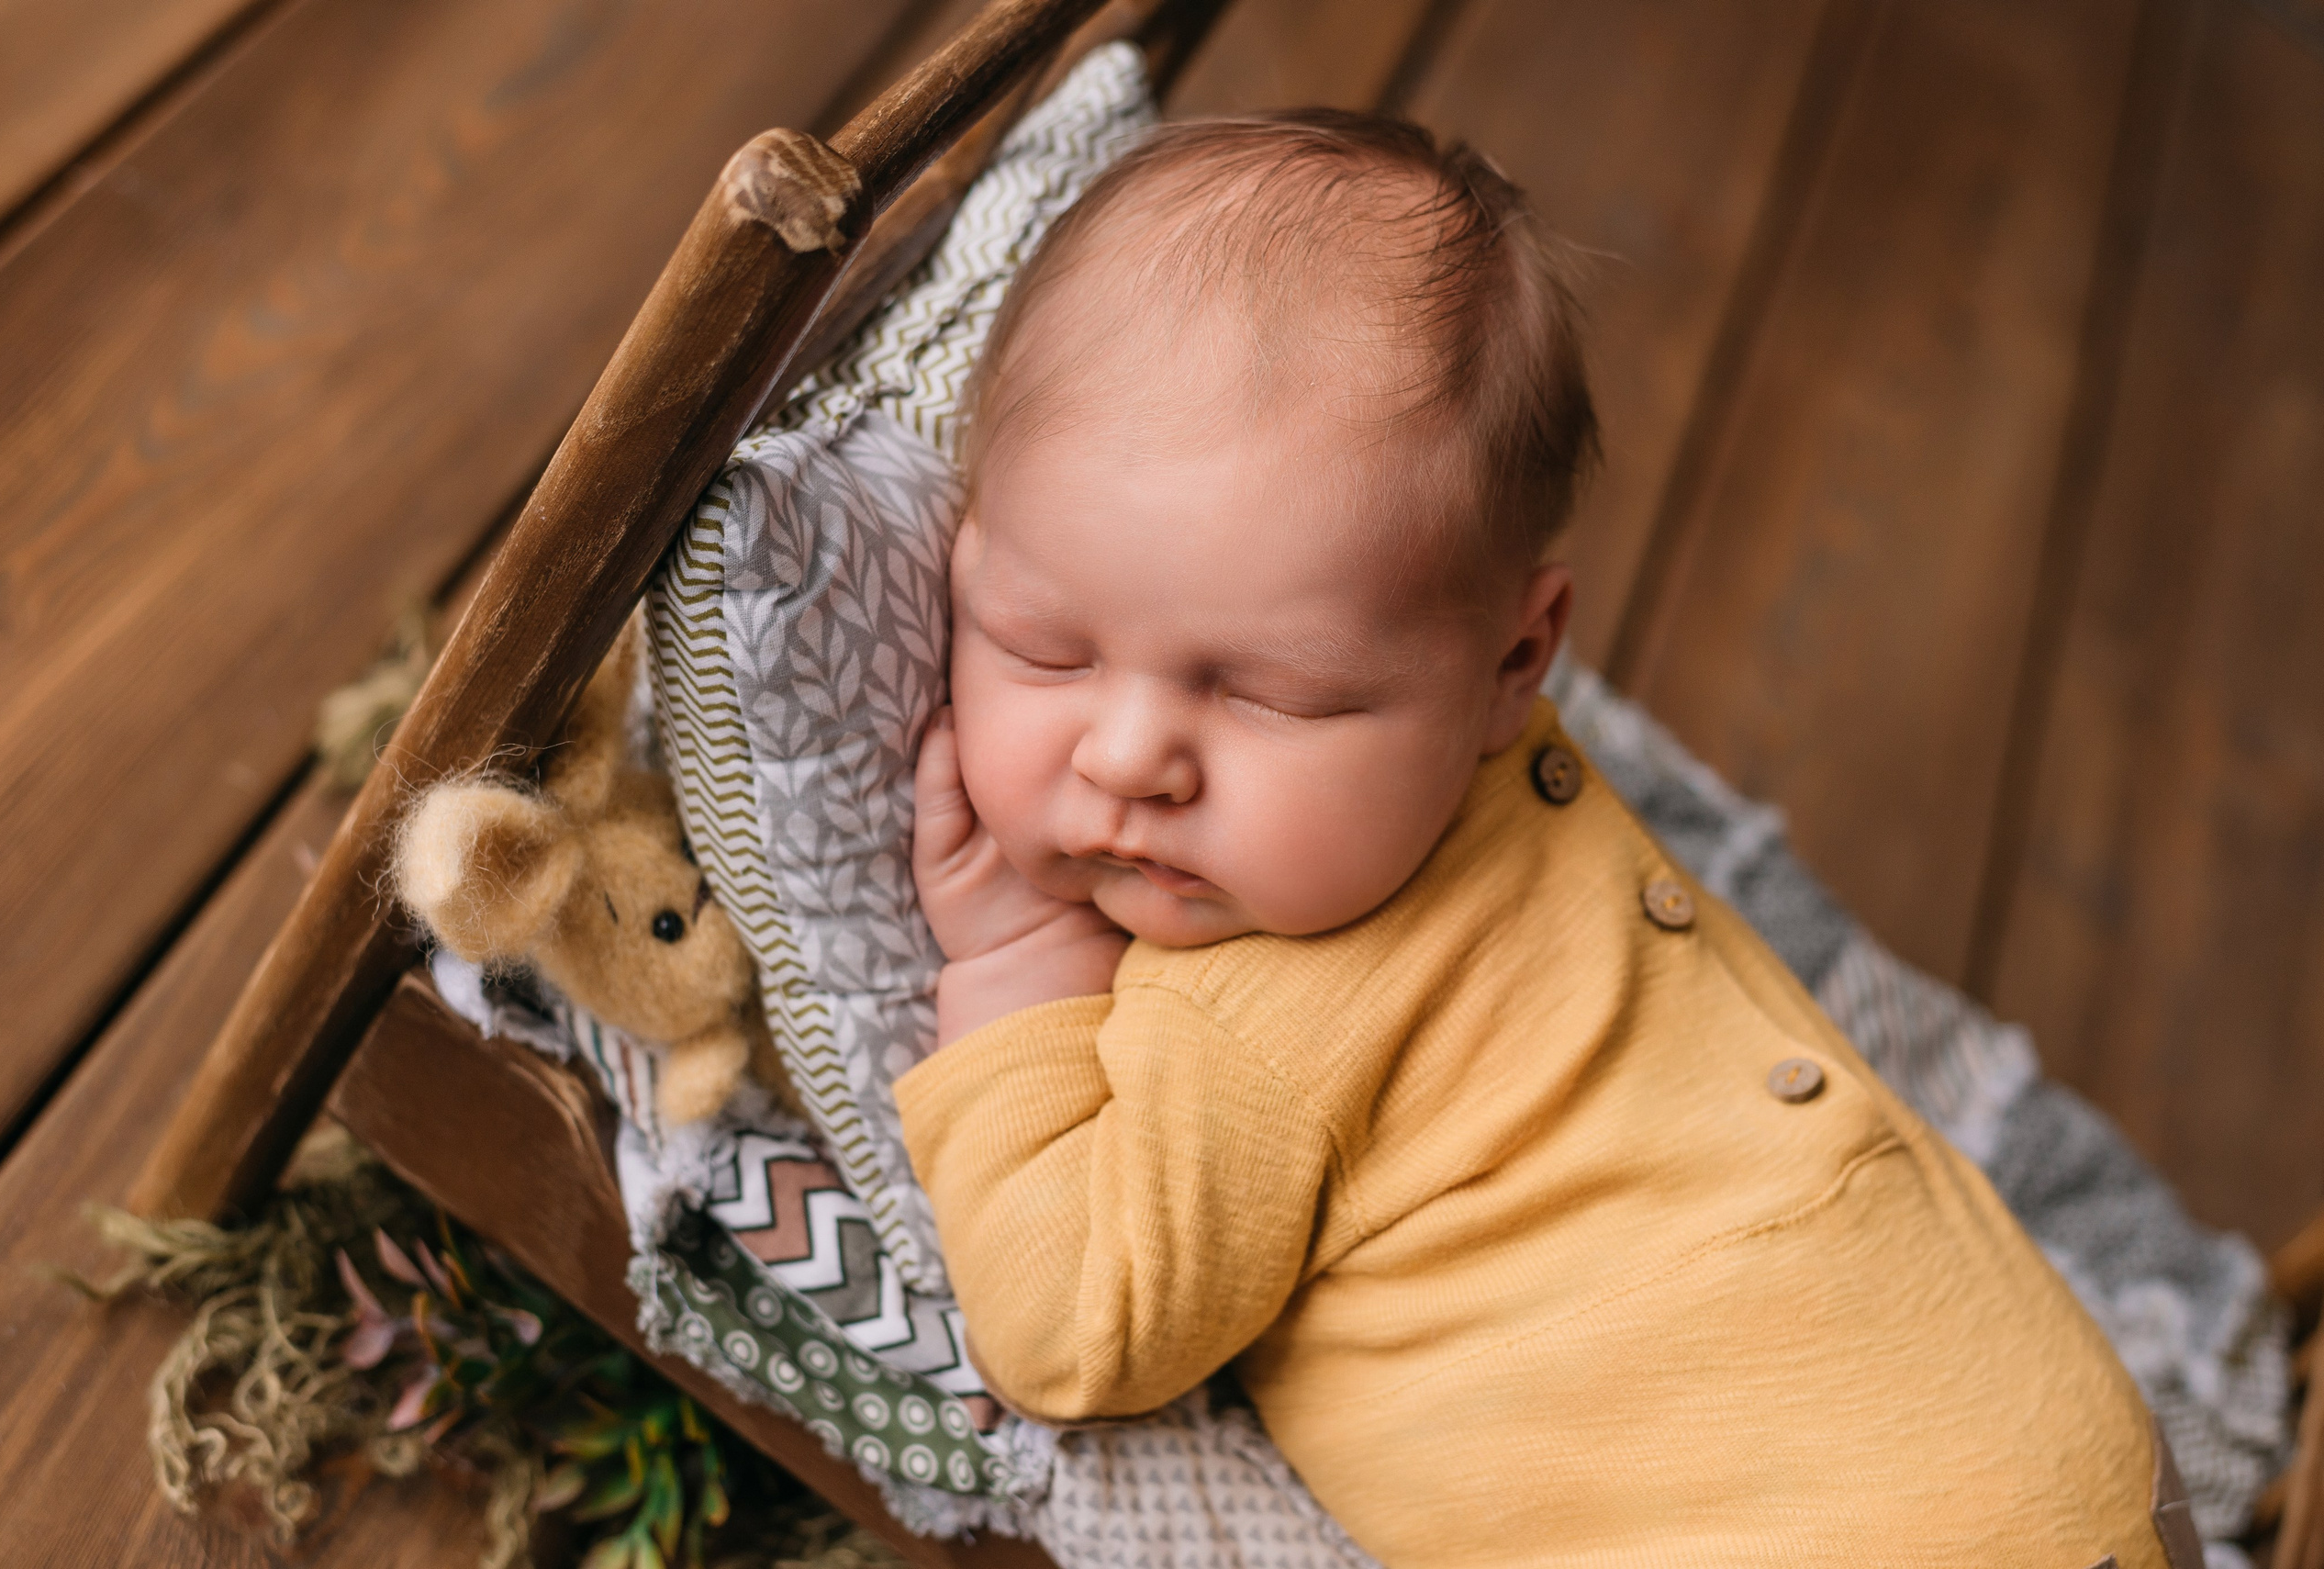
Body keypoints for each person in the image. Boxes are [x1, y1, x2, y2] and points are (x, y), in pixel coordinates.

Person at [895, 109, 2195, 1568]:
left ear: (1516, 663)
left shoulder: (1249, 1027)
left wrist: (1013, 969)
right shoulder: (1479, 761)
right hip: (2073, 1454)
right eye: (1044, 644)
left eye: (1276, 696)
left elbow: (1068, 1328)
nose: (1129, 757)